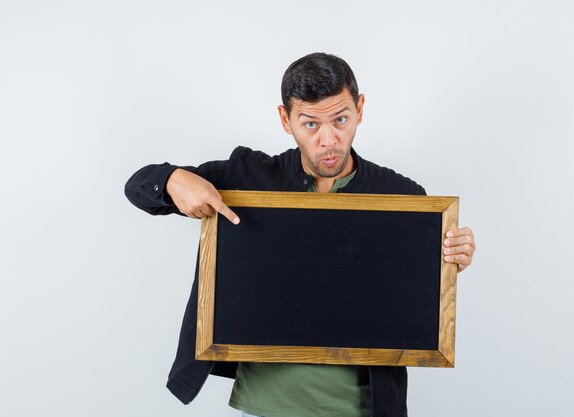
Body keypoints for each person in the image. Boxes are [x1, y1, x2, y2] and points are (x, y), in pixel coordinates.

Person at [125, 52, 475, 417]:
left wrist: (447, 263)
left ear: (360, 108)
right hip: (266, 406)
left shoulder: (402, 197)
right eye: (310, 124)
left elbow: (413, 300)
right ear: (285, 119)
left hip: (362, 408)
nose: (329, 140)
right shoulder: (249, 177)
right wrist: (170, 179)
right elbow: (137, 187)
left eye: (341, 119)